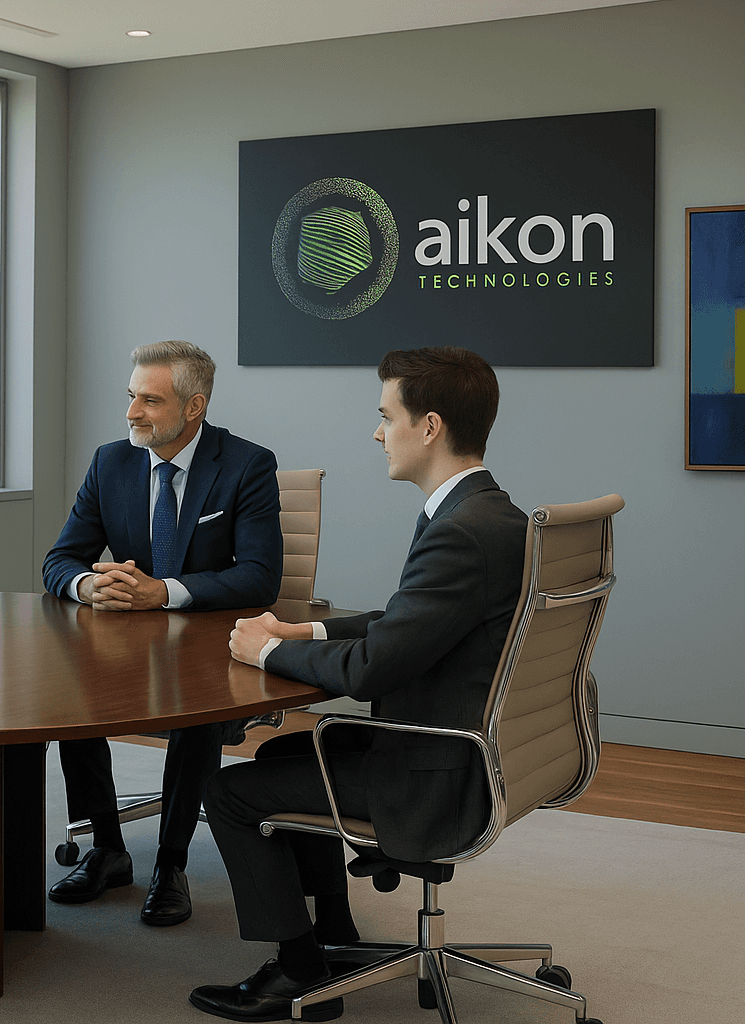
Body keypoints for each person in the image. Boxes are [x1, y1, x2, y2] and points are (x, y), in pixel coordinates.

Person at [189, 346, 527, 1023]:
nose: (377, 433)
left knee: (227, 791)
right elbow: (407, 623)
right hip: (475, 754)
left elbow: (371, 668)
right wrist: (304, 634)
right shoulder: (489, 513)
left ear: (428, 427)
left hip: (433, 775)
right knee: (285, 755)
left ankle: (298, 972)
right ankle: (334, 930)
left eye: (385, 416)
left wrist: (262, 654)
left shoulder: (460, 532)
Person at [42, 340, 283, 927]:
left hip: (210, 646)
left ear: (194, 406)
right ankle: (107, 847)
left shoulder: (247, 465)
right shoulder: (111, 462)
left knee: (195, 709)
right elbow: (59, 560)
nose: (132, 413)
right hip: (128, 647)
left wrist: (164, 592)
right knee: (68, 694)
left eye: (150, 401)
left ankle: (170, 863)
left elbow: (259, 578)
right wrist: (86, 587)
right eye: (131, 397)